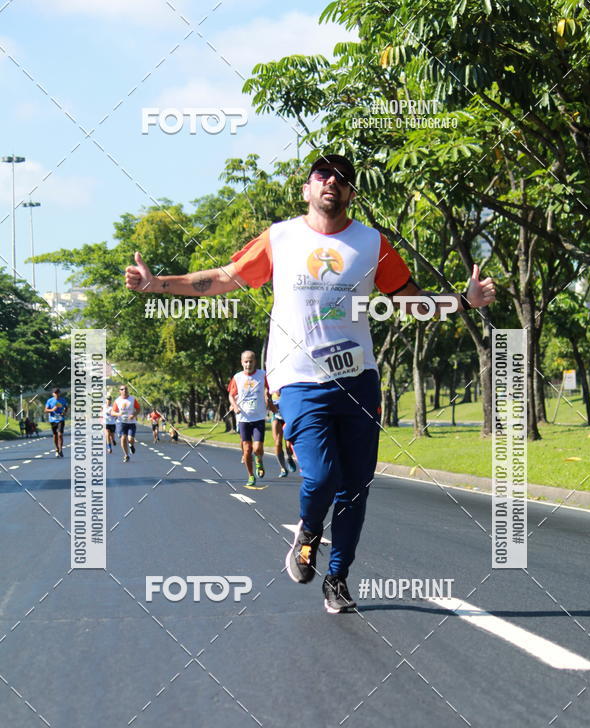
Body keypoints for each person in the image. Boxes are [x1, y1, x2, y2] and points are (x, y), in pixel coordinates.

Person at [125, 153, 495, 613]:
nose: (331, 184)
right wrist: (157, 283)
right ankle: (308, 529)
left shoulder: (372, 242)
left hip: (359, 380)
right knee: (320, 476)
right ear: (306, 189)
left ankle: (337, 577)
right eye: (322, 176)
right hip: (298, 380)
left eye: (342, 179)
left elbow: (409, 301)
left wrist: (464, 301)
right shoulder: (281, 238)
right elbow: (223, 279)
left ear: (351, 193)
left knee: (355, 487)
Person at [228, 350, 271, 488]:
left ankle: (259, 460)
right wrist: (234, 405)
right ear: (242, 362)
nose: (248, 364)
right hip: (243, 418)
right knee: (247, 450)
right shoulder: (237, 377)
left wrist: (267, 397)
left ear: (255, 362)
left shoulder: (262, 375)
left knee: (257, 448)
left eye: (251, 361)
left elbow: (269, 389)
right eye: (246, 361)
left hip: (258, 417)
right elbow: (231, 394)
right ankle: (251, 475)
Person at [271, 392, 297, 477]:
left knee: (289, 443)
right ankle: (283, 468)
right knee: (277, 443)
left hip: (287, 416)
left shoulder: (286, 385)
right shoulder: (270, 384)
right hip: (276, 416)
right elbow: (266, 398)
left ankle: (289, 457)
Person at [112, 384, 140, 462]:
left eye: (125, 389)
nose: (124, 390)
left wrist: (133, 414)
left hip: (131, 422)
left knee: (130, 439)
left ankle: (131, 445)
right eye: (122, 389)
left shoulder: (132, 399)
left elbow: (138, 409)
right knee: (123, 438)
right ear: (119, 391)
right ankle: (126, 455)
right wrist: (118, 414)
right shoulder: (117, 401)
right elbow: (112, 412)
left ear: (127, 390)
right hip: (121, 422)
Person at [44, 387, 68, 457]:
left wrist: (64, 412)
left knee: (60, 434)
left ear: (59, 393)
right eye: (55, 393)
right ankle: (56, 448)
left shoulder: (63, 400)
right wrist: (52, 410)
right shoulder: (49, 401)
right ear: (53, 394)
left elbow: (66, 407)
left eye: (58, 393)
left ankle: (60, 450)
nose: (57, 394)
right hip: (53, 420)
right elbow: (45, 410)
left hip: (61, 419)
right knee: (55, 435)